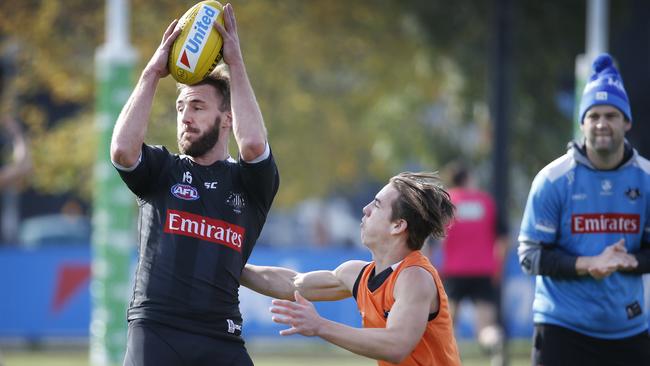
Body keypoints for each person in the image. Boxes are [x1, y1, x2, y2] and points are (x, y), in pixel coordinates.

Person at [110, 4, 279, 366]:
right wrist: (154, 72)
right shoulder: (162, 170)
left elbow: (252, 145)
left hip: (221, 336)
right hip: (156, 329)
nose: (185, 117)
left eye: (198, 107)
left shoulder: (250, 182)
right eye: (180, 108)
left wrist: (235, 64)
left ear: (226, 119)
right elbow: (123, 151)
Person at [241, 172, 462, 366]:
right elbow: (292, 283)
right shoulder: (357, 274)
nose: (365, 210)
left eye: (376, 205)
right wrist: (228, 265)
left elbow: (396, 346)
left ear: (398, 225)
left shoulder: (415, 277)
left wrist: (320, 326)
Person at [518, 53, 650, 366]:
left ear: (627, 122)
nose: (602, 123)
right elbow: (529, 256)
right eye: (594, 116)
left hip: (627, 327)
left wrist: (629, 260)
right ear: (582, 123)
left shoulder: (646, 179)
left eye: (611, 115)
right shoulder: (552, 180)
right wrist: (589, 263)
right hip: (561, 327)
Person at [439, 160, 508, 366]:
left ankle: (447, 359)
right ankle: (495, 344)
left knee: (448, 324)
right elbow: (503, 239)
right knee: (486, 326)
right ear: (468, 178)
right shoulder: (485, 201)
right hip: (483, 269)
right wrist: (497, 266)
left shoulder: (448, 203)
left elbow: (434, 238)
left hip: (454, 270)